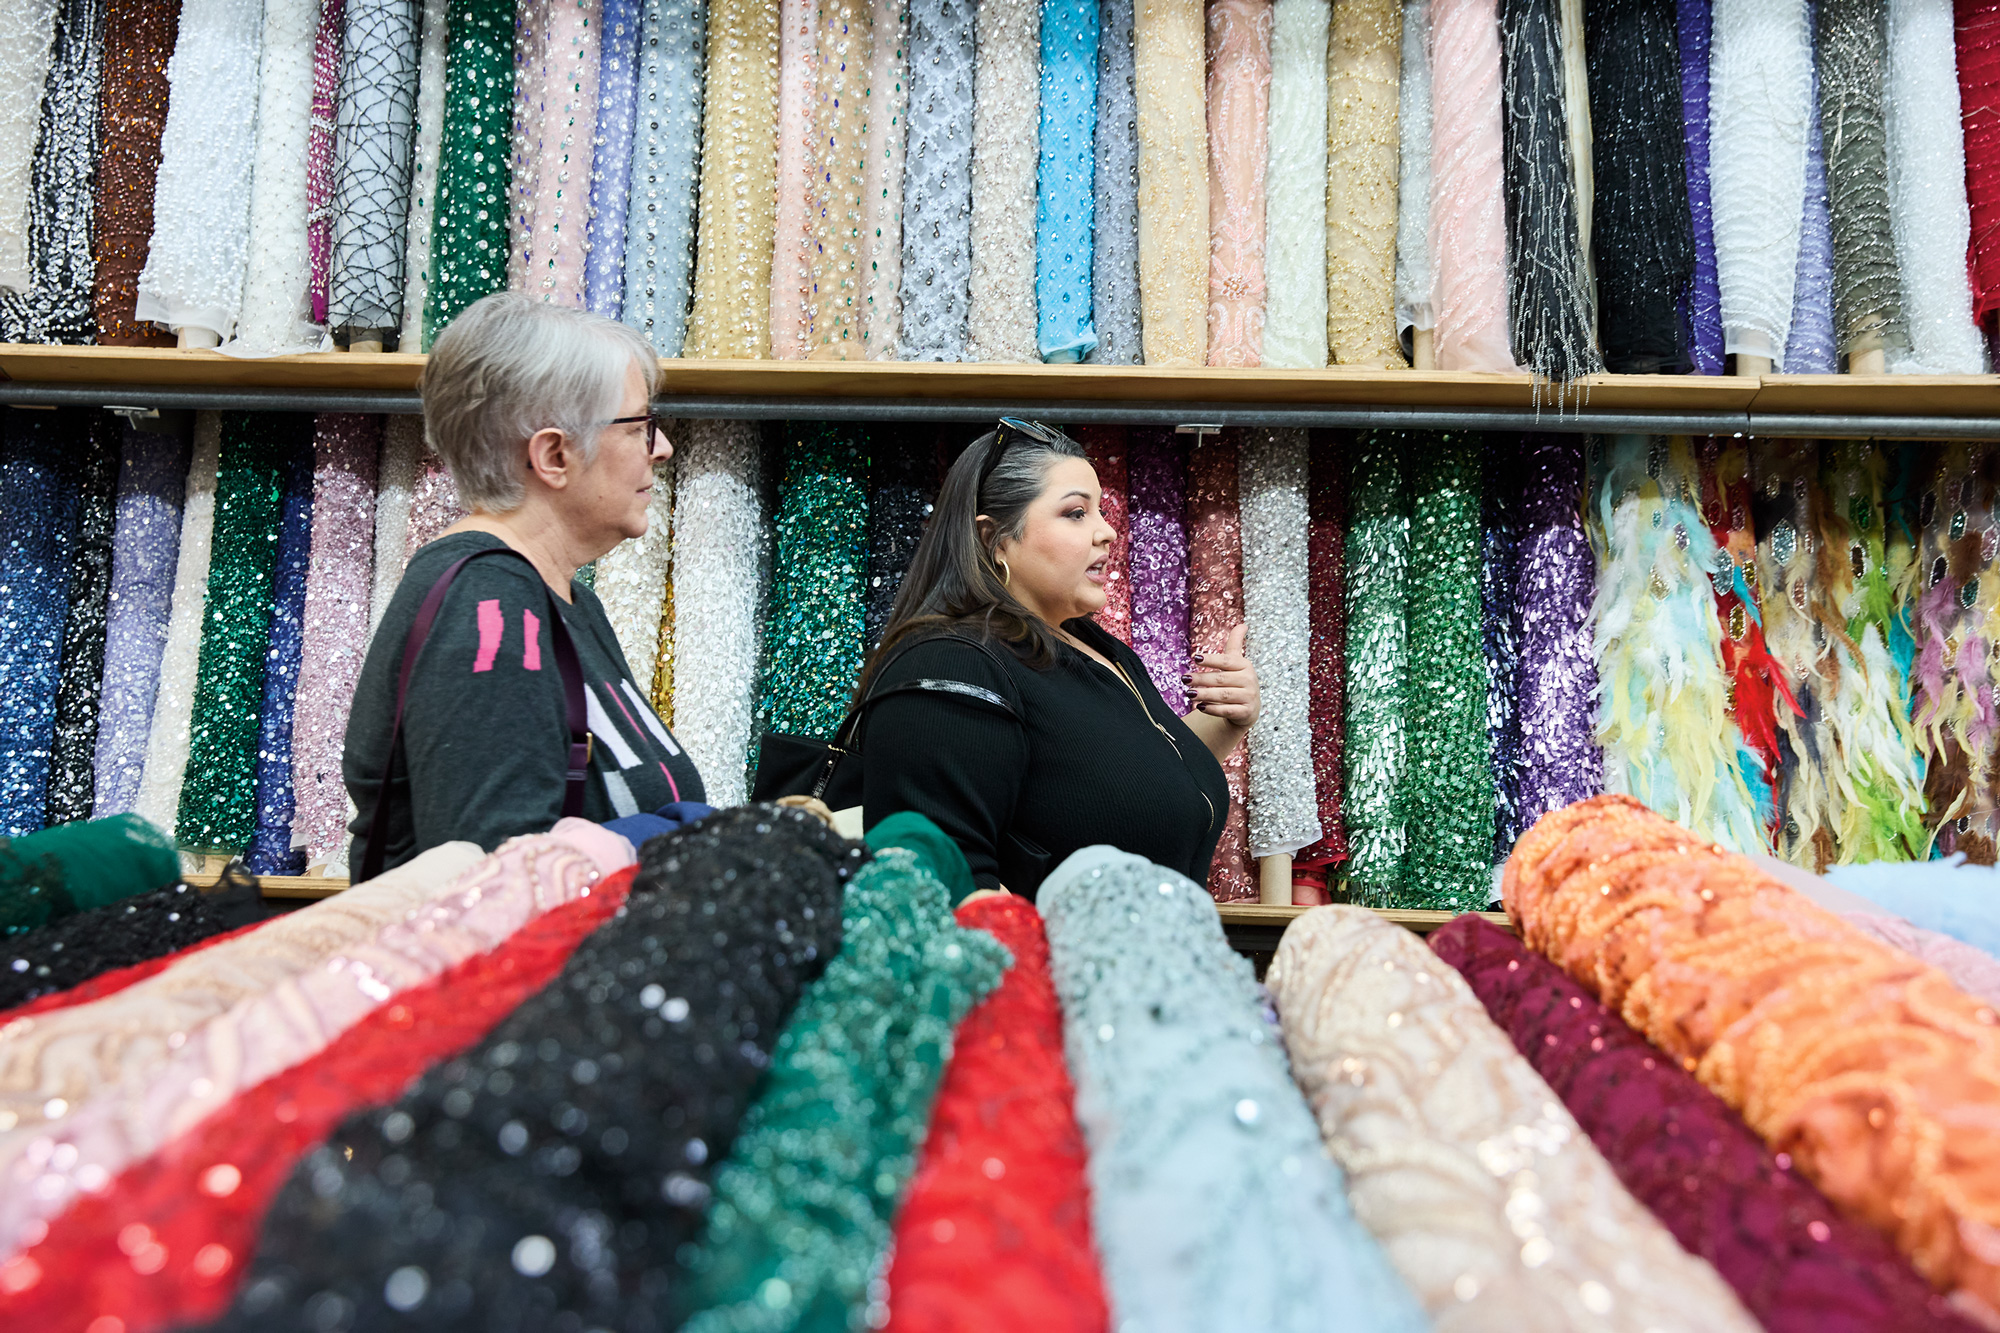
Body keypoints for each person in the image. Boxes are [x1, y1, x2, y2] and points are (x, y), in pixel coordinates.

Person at [343, 293, 703, 873]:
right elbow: (498, 880)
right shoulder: (489, 606)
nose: (661, 448)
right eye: (642, 425)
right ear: (555, 455)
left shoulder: (556, 596)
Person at [857, 419, 1261, 897]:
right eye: (1075, 513)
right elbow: (939, 895)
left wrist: (1228, 719)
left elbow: (1126, 784)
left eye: (1100, 511)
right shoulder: (950, 667)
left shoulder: (1093, 647)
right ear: (995, 540)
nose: (1108, 531)